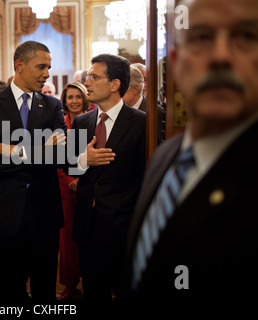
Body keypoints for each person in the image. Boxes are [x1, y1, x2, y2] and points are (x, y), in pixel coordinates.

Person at [125, 0, 258, 304]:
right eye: (201, 37)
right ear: (176, 62)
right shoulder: (166, 156)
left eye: (246, 36)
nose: (221, 56)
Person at [0, 40, 67, 304]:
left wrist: (10, 149)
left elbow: (60, 155)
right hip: (4, 216)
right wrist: (38, 149)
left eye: (49, 67)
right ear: (20, 65)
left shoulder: (52, 106)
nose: (46, 73)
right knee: (9, 293)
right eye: (41, 66)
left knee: (45, 292)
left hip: (44, 215)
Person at [69, 54, 146, 309]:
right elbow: (71, 166)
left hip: (124, 228)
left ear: (115, 84)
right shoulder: (82, 121)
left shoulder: (141, 123)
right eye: (87, 77)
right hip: (88, 228)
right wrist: (84, 158)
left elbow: (147, 177)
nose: (86, 82)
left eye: (94, 77)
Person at [56, 82, 89, 300]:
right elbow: (55, 159)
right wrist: (70, 180)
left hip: (90, 187)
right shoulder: (59, 124)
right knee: (67, 242)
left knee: (89, 239)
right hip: (66, 189)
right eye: (70, 97)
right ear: (64, 100)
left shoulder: (94, 121)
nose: (74, 101)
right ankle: (69, 285)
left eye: (78, 96)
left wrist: (84, 181)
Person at [124, 66, 166, 144]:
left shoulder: (155, 111)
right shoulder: (120, 109)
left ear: (135, 89)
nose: (117, 94)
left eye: (122, 89)